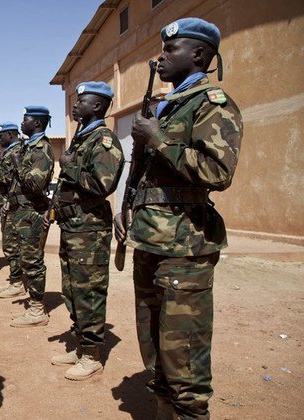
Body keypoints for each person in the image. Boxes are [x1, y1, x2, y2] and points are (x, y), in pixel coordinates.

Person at [114, 18, 242, 419]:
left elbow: (218, 172)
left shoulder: (211, 104)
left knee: (182, 351)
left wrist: (159, 139)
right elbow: (144, 171)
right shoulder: (167, 105)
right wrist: (126, 206)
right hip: (149, 238)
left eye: (172, 50)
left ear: (200, 55)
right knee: (152, 341)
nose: (162, 57)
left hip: (185, 246)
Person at [49, 82, 124, 380]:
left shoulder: (103, 140)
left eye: (81, 101)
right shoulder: (83, 138)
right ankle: (81, 346)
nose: (75, 105)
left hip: (89, 228)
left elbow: (103, 185)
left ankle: (92, 355)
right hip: (73, 225)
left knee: (88, 291)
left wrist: (69, 167)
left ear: (97, 106)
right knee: (72, 289)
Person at [9, 106, 54, 328]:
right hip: (23, 211)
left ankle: (38, 309)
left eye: (24, 119)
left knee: (33, 260)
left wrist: (18, 165)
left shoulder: (41, 148)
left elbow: (35, 185)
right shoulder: (29, 147)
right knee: (25, 258)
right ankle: (32, 299)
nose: (21, 123)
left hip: (33, 212)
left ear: (36, 123)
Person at [0, 122, 26, 298]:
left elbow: (8, 178)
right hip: (8, 202)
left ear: (11, 134)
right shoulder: (9, 152)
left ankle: (18, 282)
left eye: (2, 136)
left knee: (13, 245)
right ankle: (16, 280)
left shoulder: (16, 152)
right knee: (9, 244)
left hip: (16, 204)